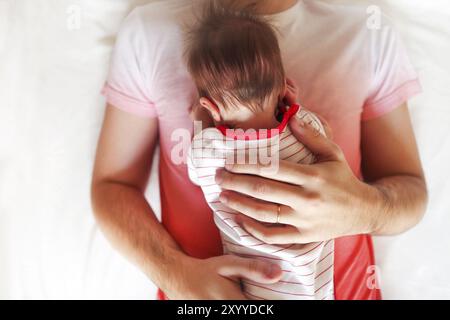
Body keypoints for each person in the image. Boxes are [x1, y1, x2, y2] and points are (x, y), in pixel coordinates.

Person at [91, 0, 427, 300]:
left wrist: (362, 209)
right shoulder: (149, 32)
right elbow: (112, 187)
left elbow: (411, 191)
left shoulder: (365, 32)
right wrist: (178, 276)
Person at [186, 4, 332, 300]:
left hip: (259, 284)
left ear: (210, 106)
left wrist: (199, 124)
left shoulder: (210, 149)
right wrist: (295, 108)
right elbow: (327, 137)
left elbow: (195, 173)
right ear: (283, 86)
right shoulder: (304, 128)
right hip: (314, 279)